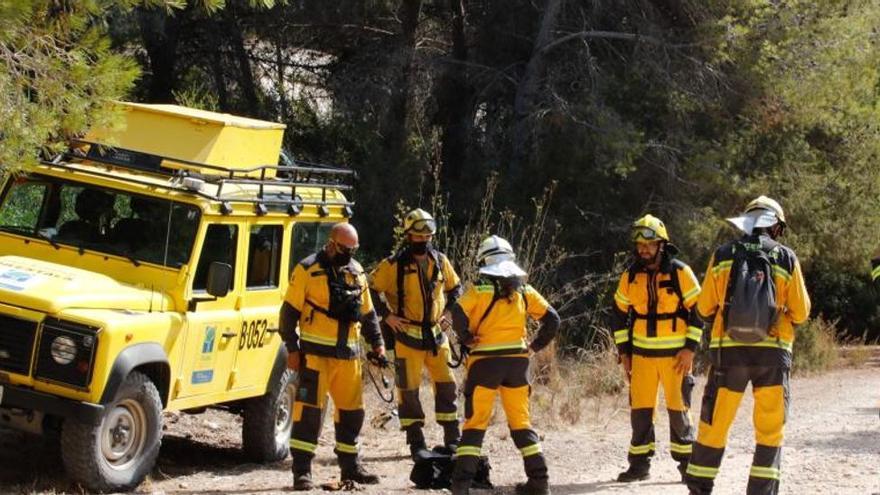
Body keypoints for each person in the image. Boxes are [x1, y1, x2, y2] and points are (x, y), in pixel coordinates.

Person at [685, 196, 810, 495]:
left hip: (729, 356)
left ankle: (699, 489)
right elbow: (802, 313)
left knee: (714, 425)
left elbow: (703, 308)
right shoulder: (786, 257)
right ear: (776, 227)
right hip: (773, 357)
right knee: (769, 429)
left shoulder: (724, 254)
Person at [449, 235, 561, 495]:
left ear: (484, 263)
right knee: (521, 422)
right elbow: (553, 319)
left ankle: (461, 487)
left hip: (484, 364)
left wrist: (466, 338)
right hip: (517, 364)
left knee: (476, 424)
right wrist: (533, 347)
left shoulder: (478, 290)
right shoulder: (524, 291)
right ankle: (539, 482)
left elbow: (457, 312)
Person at [278, 222, 386, 491]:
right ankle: (302, 472)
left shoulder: (357, 272)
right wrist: (292, 349)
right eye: (343, 248)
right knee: (308, 416)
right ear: (331, 243)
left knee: (352, 414)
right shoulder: (307, 269)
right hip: (315, 358)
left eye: (353, 249)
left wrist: (378, 344)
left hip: (348, 358)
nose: (348, 254)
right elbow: (288, 314)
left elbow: (368, 314)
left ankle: (351, 467)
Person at [612, 214, 703, 482]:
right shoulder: (630, 276)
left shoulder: (680, 272)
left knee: (679, 412)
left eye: (649, 245)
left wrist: (690, 349)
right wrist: (624, 352)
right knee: (640, 412)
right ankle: (639, 466)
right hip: (641, 357)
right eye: (640, 245)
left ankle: (689, 467)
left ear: (661, 245)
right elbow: (618, 314)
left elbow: (699, 313)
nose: (644, 250)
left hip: (676, 358)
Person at [369, 208, 463, 459]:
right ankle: (416, 442)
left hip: (436, 337)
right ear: (408, 236)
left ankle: (453, 440)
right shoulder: (392, 266)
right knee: (408, 391)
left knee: (447, 386)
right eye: (419, 237)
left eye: (428, 237)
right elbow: (367, 290)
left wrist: (449, 313)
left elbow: (456, 289)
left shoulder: (441, 261)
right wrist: (386, 316)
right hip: (407, 337)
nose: (424, 241)